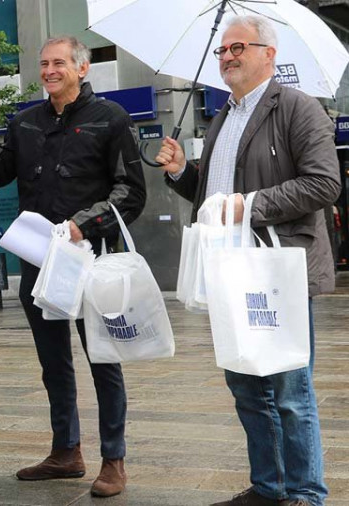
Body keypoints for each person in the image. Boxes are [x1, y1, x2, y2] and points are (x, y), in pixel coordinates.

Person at [155, 16, 337, 506]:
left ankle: (304, 492)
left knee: (289, 391)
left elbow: (325, 184)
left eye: (238, 47)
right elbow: (215, 196)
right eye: (222, 50)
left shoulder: (298, 108)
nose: (228, 56)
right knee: (246, 384)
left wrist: (250, 203)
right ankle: (269, 485)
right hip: (230, 270)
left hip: (276, 269)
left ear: (268, 54)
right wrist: (181, 175)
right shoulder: (223, 116)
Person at [0, 36, 146, 497]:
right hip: (39, 264)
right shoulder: (25, 122)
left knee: (102, 359)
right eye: (43, 63)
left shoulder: (111, 119)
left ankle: (113, 459)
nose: (49, 70)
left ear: (82, 69)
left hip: (91, 261)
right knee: (53, 363)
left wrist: (87, 223)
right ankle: (66, 451)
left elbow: (131, 192)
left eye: (59, 63)